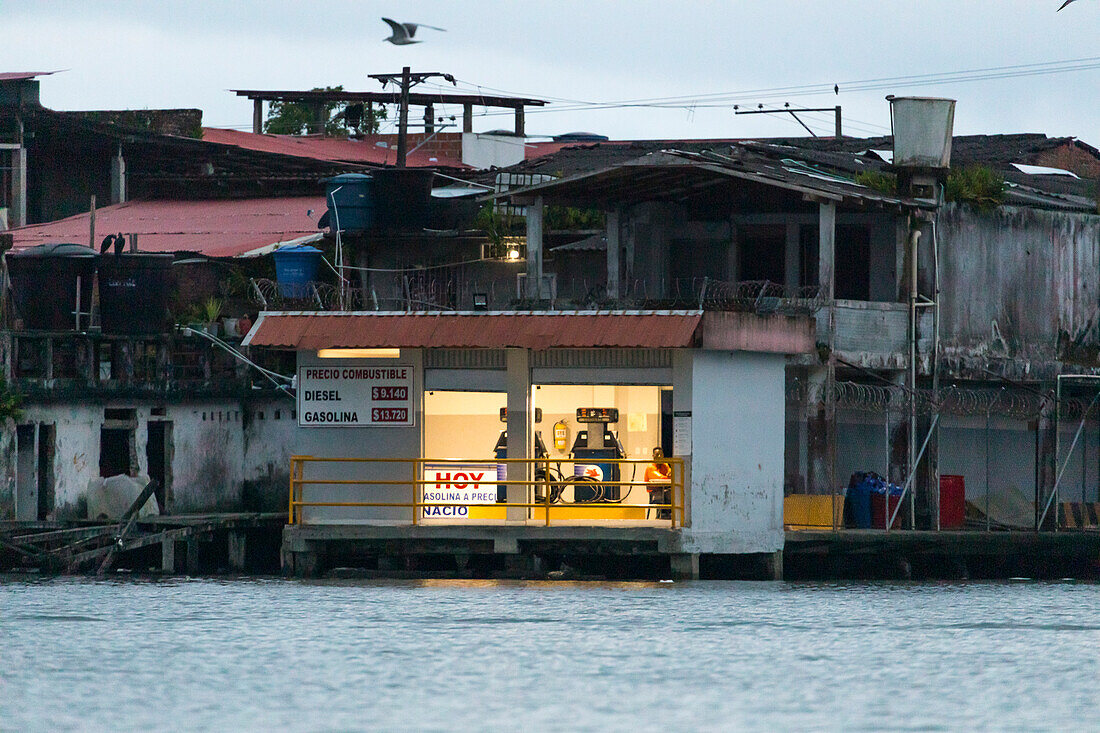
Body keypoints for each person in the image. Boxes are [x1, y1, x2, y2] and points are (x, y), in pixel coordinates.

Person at [645, 447, 672, 519]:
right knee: (661, 496)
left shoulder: (665, 464)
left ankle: (668, 516)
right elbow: (660, 478)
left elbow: (670, 473)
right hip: (654, 490)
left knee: (671, 494)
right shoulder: (651, 467)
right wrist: (669, 477)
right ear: (653, 456)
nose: (659, 457)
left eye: (661, 454)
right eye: (657, 455)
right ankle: (660, 516)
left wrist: (670, 473)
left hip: (664, 488)